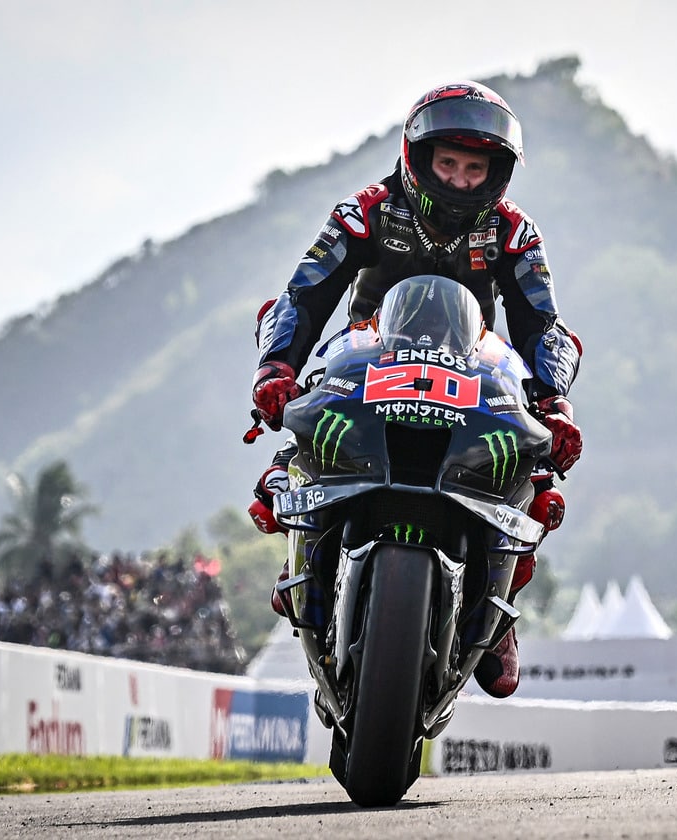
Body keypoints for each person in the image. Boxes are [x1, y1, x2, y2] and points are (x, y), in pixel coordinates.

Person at [246, 80, 583, 699]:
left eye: (474, 167)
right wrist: (277, 368)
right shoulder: (364, 211)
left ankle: (500, 607)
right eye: (447, 163)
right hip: (366, 365)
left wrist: (553, 400)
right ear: (416, 155)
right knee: (292, 453)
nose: (458, 180)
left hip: (473, 374)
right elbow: (303, 294)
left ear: (497, 172)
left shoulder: (516, 233)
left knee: (535, 479)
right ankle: (304, 561)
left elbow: (543, 325)